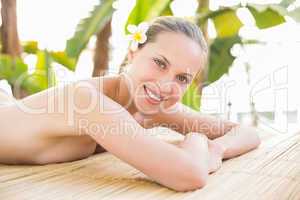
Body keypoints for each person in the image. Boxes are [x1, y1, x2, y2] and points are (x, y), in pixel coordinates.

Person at [0, 16, 260, 192]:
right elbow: (190, 174)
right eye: (159, 63)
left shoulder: (153, 108)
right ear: (132, 52)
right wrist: (197, 138)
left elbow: (247, 133)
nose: (164, 85)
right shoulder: (87, 101)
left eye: (181, 78)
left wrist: (217, 148)